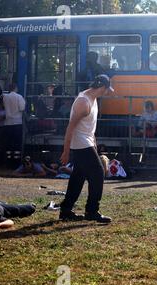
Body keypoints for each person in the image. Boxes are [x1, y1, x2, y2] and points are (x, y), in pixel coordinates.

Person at [59, 74, 114, 223]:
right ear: (102, 87)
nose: (107, 92)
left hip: (87, 142)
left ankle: (65, 210)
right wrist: (66, 151)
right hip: (81, 144)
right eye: (107, 89)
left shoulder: (93, 98)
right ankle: (92, 211)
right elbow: (70, 127)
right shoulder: (83, 102)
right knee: (98, 173)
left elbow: (90, 128)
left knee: (78, 177)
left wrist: (94, 144)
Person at [3, 83, 25, 154]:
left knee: (8, 142)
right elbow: (22, 108)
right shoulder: (19, 97)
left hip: (7, 122)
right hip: (17, 122)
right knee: (16, 142)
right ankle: (16, 160)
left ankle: (8, 159)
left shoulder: (5, 97)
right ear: (16, 88)